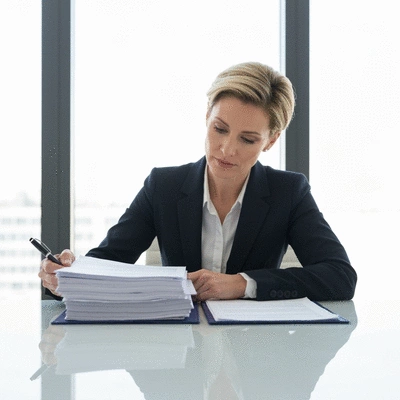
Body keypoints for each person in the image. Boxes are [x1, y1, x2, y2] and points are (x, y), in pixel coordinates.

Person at [39, 62, 357, 302]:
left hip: (255, 354)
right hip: (177, 356)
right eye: (220, 129)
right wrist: (67, 276)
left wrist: (242, 284)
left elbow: (340, 277)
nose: (227, 149)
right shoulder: (162, 186)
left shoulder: (289, 193)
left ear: (270, 141)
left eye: (247, 139)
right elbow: (108, 262)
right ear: (207, 116)